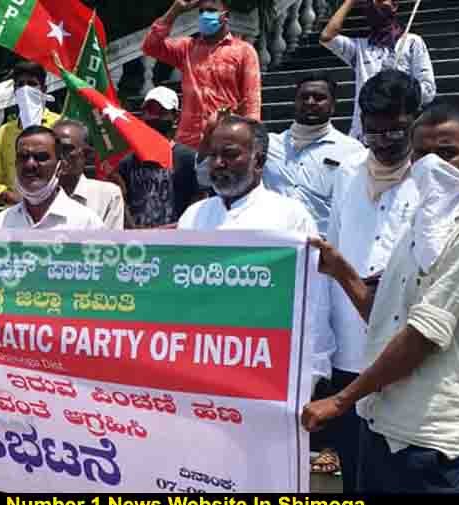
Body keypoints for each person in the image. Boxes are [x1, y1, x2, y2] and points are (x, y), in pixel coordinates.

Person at [303, 103, 459, 493]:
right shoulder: (424, 220)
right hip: (381, 421)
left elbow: (422, 334)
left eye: (447, 152)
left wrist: (341, 400)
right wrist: (342, 272)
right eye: (422, 154)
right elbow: (388, 319)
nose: (432, 165)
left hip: (426, 433)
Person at [320, 69, 423, 492]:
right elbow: (334, 249)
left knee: (397, 469)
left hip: (406, 351)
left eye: (395, 131)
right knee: (353, 469)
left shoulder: (431, 178)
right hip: (349, 348)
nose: (383, 142)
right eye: (374, 132)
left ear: (414, 120)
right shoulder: (346, 173)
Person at [180, 115, 335, 393]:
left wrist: (312, 373)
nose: (218, 164)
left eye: (229, 155)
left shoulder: (289, 217)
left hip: (268, 370)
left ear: (259, 162)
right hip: (199, 366)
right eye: (212, 155)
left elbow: (315, 300)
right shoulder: (193, 216)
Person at [142, 0, 261, 149]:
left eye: (211, 11)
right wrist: (175, 10)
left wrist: (250, 144)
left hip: (223, 142)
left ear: (225, 16)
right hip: (187, 143)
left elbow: (251, 103)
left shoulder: (244, 51)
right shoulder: (187, 48)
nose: (205, 15)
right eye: (201, 11)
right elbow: (150, 46)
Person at [263, 72, 368, 236]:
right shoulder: (268, 145)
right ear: (295, 102)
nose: (310, 102)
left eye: (319, 98)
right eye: (304, 97)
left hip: (322, 249)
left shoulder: (352, 151)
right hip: (273, 245)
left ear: (333, 105)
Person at [320, 0, 436, 140]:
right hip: (365, 133)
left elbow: (428, 90)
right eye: (369, 2)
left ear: (394, 6)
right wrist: (349, 2)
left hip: (400, 132)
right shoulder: (360, 48)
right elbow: (327, 36)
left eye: (380, 0)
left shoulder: (412, 42)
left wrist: (398, 91)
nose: (375, 4)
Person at [110, 87, 202, 228]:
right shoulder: (127, 163)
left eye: (161, 111)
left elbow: (198, 204)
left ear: (175, 117)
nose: (153, 117)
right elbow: (122, 204)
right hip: (138, 244)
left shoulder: (189, 159)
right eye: (149, 111)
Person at [0, 125, 104, 230]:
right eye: (23, 157)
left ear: (60, 167)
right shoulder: (1, 222)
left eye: (41, 157)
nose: (30, 164)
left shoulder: (86, 223)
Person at [0, 61, 61, 206]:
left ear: (43, 89)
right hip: (14, 214)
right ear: (15, 91)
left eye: (32, 84)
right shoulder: (5, 132)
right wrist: (11, 198)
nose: (25, 89)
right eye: (20, 85)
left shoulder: (59, 125)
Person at [53, 119, 125, 229]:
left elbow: (110, 243)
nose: (58, 155)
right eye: (53, 149)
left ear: (86, 155)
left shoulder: (107, 195)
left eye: (66, 149)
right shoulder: (34, 197)